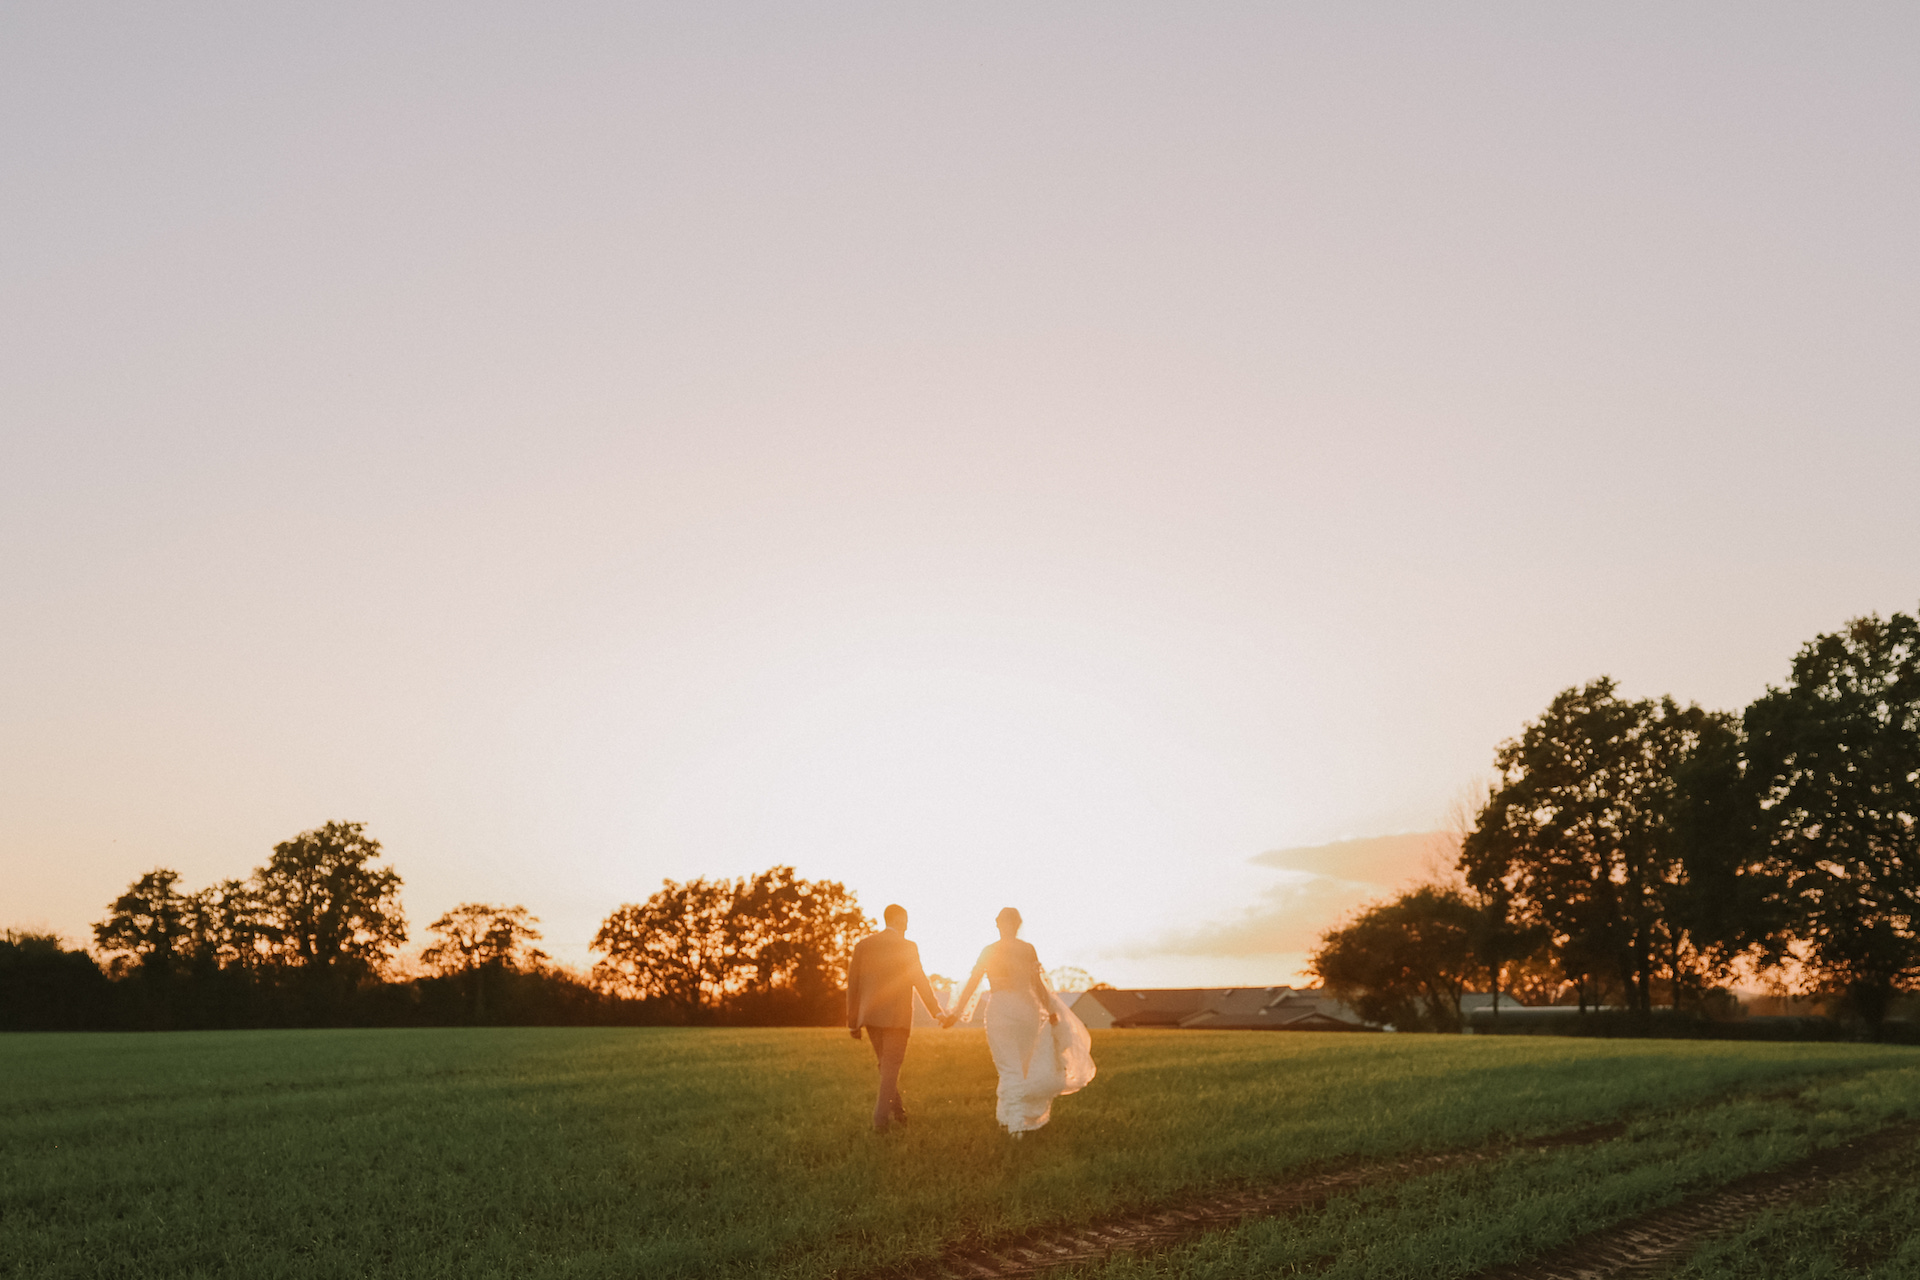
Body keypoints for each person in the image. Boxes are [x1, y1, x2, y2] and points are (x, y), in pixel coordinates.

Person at [945, 907, 1095, 1136]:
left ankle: (1015, 1128)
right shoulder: (1027, 949)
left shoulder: (989, 951)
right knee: (1022, 1068)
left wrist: (956, 1013)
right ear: (1018, 924)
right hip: (1027, 1012)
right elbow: (1037, 984)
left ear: (998, 924)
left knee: (1008, 1068)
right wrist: (1050, 1011)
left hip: (1001, 1009)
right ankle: (1006, 1118)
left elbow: (973, 982)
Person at [846, 903, 948, 1133]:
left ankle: (899, 1113)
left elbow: (853, 984)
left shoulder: (864, 945)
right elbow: (920, 980)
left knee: (886, 1067)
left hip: (870, 1016)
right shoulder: (907, 946)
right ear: (898, 919)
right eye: (906, 920)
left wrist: (853, 1022)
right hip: (896, 1017)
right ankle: (880, 1122)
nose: (908, 925)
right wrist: (937, 1011)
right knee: (890, 1068)